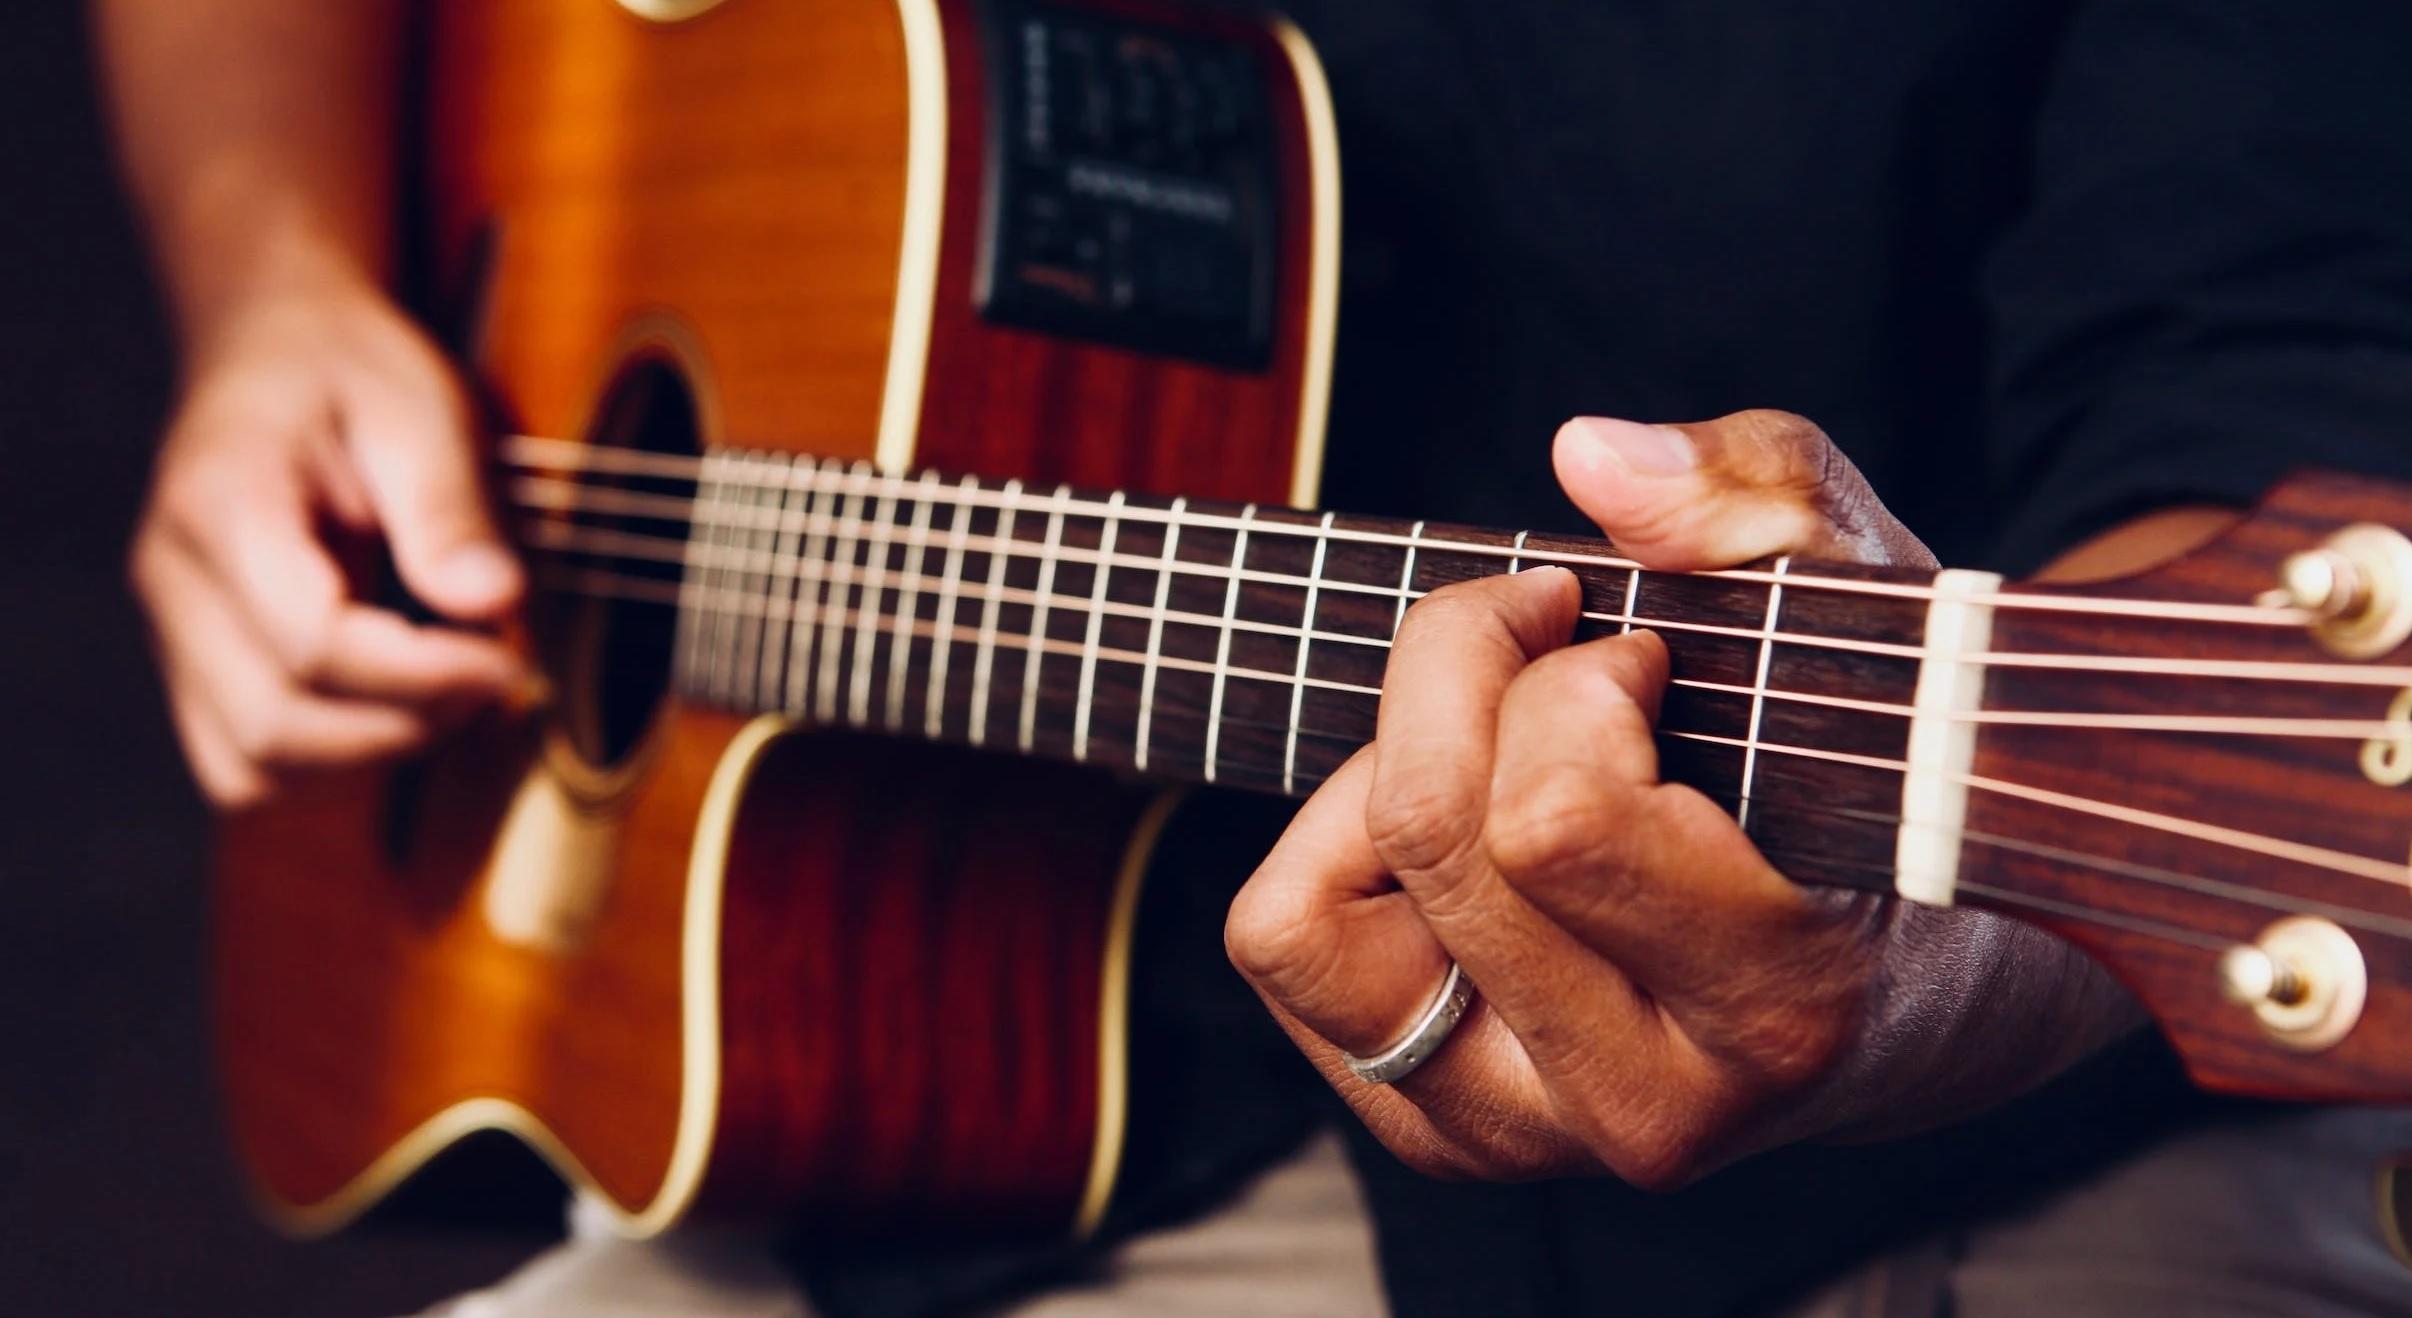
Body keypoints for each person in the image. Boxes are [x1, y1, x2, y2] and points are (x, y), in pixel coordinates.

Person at [101, 0, 2412, 1315]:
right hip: (867, 1121)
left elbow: (2281, 422)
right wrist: (273, 281)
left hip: (1904, 1180)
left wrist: (1922, 967)